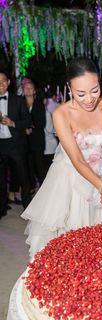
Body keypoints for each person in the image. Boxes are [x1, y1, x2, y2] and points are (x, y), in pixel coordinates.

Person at [21, 57, 102, 259]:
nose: (89, 99)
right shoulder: (61, 114)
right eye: (81, 93)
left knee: (100, 245)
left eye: (94, 90)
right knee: (69, 244)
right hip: (70, 179)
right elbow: (77, 160)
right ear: (69, 88)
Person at [0, 71, 32, 217]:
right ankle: (2, 207)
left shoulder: (18, 100)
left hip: (16, 145)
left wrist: (12, 123)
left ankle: (28, 208)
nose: (0, 84)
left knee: (23, 177)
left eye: (3, 81)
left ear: (8, 82)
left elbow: (27, 121)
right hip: (0, 145)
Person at [23, 80, 47, 192]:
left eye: (30, 88)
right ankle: (31, 187)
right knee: (28, 165)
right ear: (23, 90)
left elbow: (42, 123)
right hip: (24, 140)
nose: (28, 89)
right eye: (25, 88)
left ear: (34, 91)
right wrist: (24, 128)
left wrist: (30, 127)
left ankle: (43, 188)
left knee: (40, 165)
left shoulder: (39, 104)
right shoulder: (20, 103)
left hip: (37, 140)